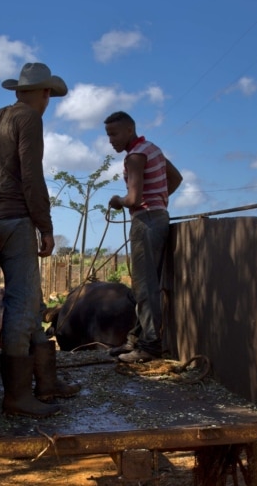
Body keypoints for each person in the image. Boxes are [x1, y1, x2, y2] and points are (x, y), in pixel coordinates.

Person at [0, 62, 80, 418]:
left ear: (18, 91)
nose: (48, 101)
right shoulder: (29, 119)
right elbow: (31, 176)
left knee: (31, 299)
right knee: (21, 302)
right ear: (44, 93)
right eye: (49, 95)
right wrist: (45, 226)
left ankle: (45, 384)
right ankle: (16, 396)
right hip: (16, 220)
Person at [104, 111, 183, 363]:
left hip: (145, 220)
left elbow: (133, 199)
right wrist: (160, 198)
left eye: (114, 134)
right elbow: (176, 178)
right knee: (144, 284)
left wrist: (118, 201)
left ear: (129, 131)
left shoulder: (135, 156)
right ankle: (135, 339)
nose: (111, 140)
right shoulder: (153, 149)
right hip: (158, 217)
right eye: (108, 135)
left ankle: (149, 346)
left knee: (145, 286)